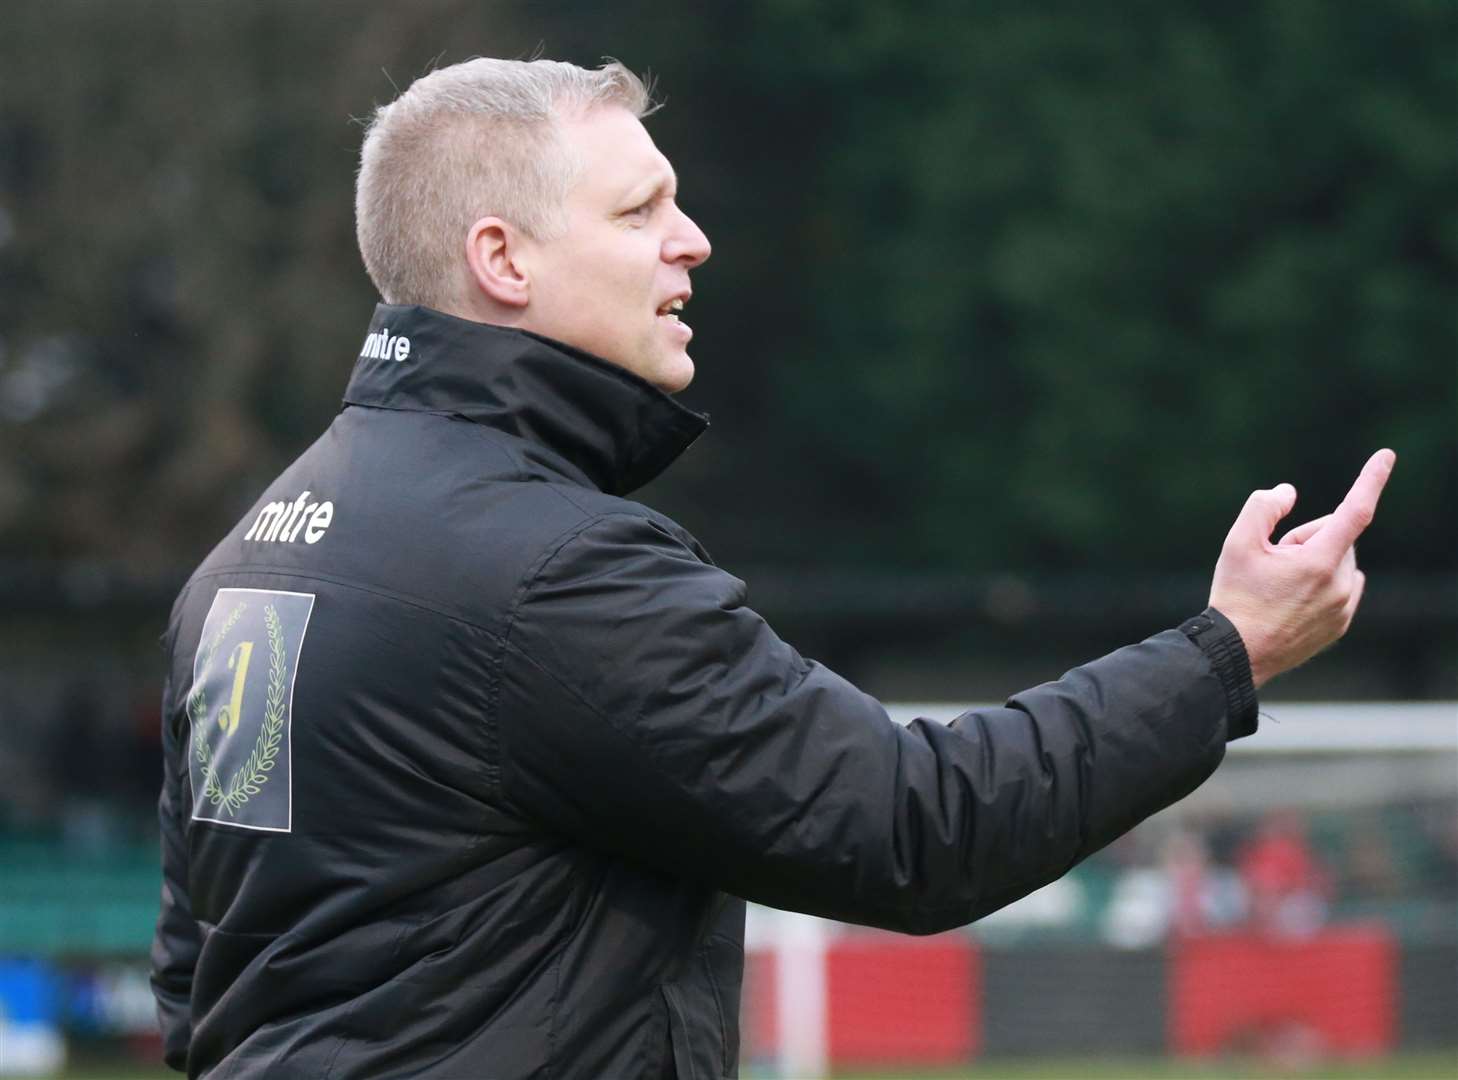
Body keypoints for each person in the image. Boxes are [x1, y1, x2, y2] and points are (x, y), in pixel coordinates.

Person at [149, 57, 1394, 1079]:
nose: (692, 241)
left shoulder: (244, 557)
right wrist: (1227, 650)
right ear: (504, 260)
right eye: (638, 212)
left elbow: (198, 972)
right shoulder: (554, 572)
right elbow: (919, 827)